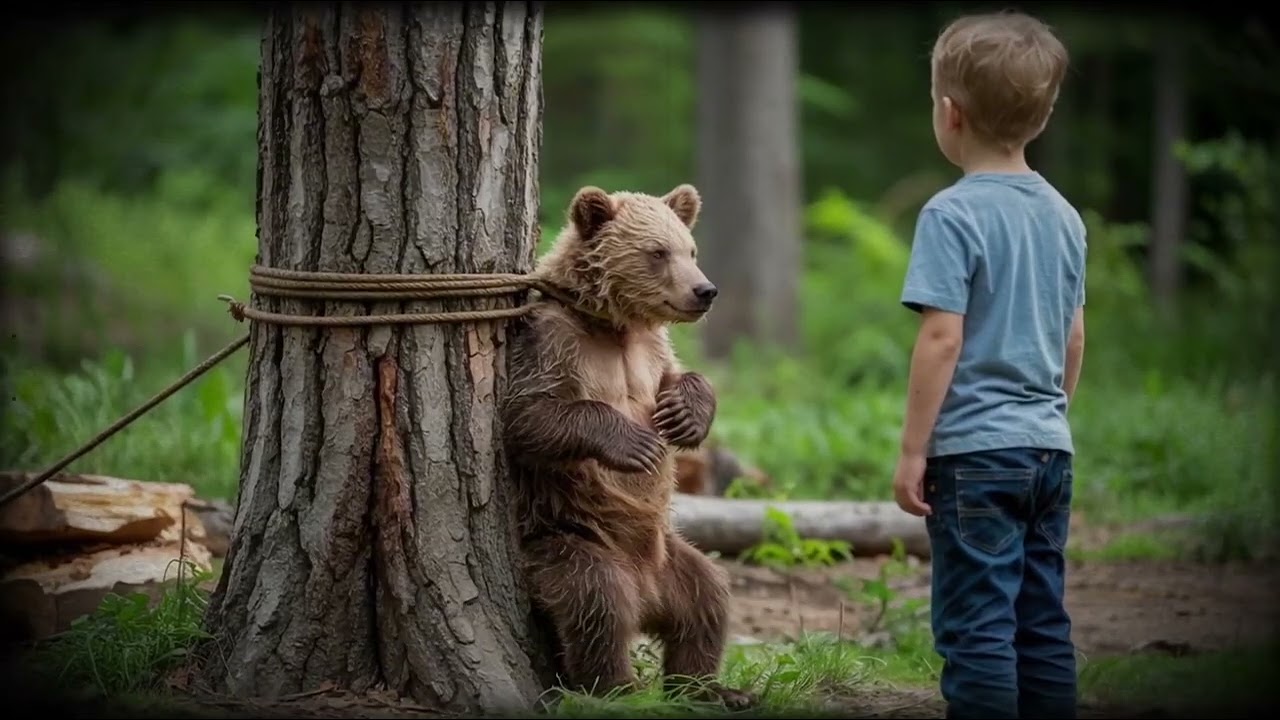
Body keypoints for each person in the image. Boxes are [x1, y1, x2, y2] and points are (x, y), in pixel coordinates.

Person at [890, 10, 1088, 720]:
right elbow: (1072, 337)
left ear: (951, 113)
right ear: (1043, 115)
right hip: (1048, 450)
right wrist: (1051, 419)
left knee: (977, 628)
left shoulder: (952, 213)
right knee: (1041, 623)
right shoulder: (1065, 216)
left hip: (976, 456)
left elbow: (942, 338)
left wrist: (915, 450)